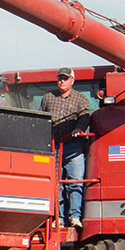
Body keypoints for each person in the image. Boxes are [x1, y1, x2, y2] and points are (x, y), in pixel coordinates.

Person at [39, 67, 90, 228]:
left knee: (75, 182)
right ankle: (58, 218)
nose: (62, 81)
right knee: (55, 184)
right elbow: (41, 119)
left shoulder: (80, 99)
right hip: (53, 147)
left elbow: (85, 116)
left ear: (72, 81)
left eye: (65, 78)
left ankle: (75, 216)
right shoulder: (48, 98)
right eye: (60, 78)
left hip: (73, 147)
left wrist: (79, 129)